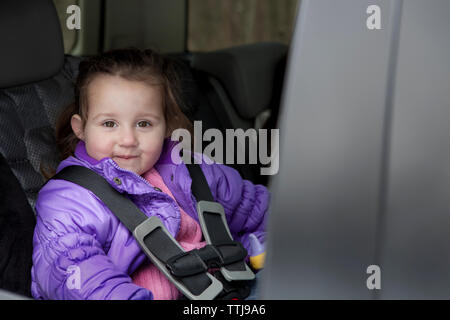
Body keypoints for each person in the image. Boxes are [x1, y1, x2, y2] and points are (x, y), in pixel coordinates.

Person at [31, 48, 269, 300]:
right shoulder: (70, 201)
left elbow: (267, 216)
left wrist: (261, 247)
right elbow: (78, 277)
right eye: (109, 124)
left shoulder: (196, 173)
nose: (128, 139)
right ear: (81, 128)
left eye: (144, 124)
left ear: (165, 126)